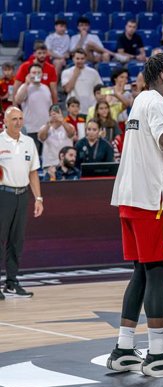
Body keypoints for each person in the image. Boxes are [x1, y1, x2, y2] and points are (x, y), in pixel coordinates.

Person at [106, 52, 163, 377]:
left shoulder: (140, 102)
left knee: (141, 273)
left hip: (131, 199)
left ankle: (123, 348)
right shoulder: (157, 102)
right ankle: (157, 355)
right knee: (158, 271)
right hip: (151, 201)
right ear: (162, 76)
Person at [0, 107, 43, 299]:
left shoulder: (29, 142)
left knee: (16, 240)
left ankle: (11, 282)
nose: (18, 122)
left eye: (20, 118)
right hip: (3, 194)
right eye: (14, 119)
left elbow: (33, 172)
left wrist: (38, 198)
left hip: (22, 194)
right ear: (5, 122)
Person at [13, 63, 52, 155]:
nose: (36, 74)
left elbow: (50, 107)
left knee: (45, 157)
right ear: (29, 74)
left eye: (39, 72)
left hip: (46, 129)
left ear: (42, 74)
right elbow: (18, 100)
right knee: (32, 158)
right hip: (31, 129)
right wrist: (26, 83)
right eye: (34, 72)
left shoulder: (46, 88)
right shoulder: (25, 87)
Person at [61, 48, 103, 116]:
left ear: (85, 59)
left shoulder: (93, 72)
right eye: (77, 59)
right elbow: (67, 89)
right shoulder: (66, 72)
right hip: (74, 110)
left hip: (91, 108)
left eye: (82, 59)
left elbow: (101, 89)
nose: (80, 61)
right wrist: (75, 75)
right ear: (73, 59)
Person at [38, 104, 76, 170]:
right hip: (49, 165)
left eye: (58, 113)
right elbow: (42, 137)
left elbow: (71, 133)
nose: (55, 115)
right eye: (52, 113)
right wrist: (48, 124)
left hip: (66, 164)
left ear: (62, 114)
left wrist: (62, 121)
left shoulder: (69, 126)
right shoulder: (44, 128)